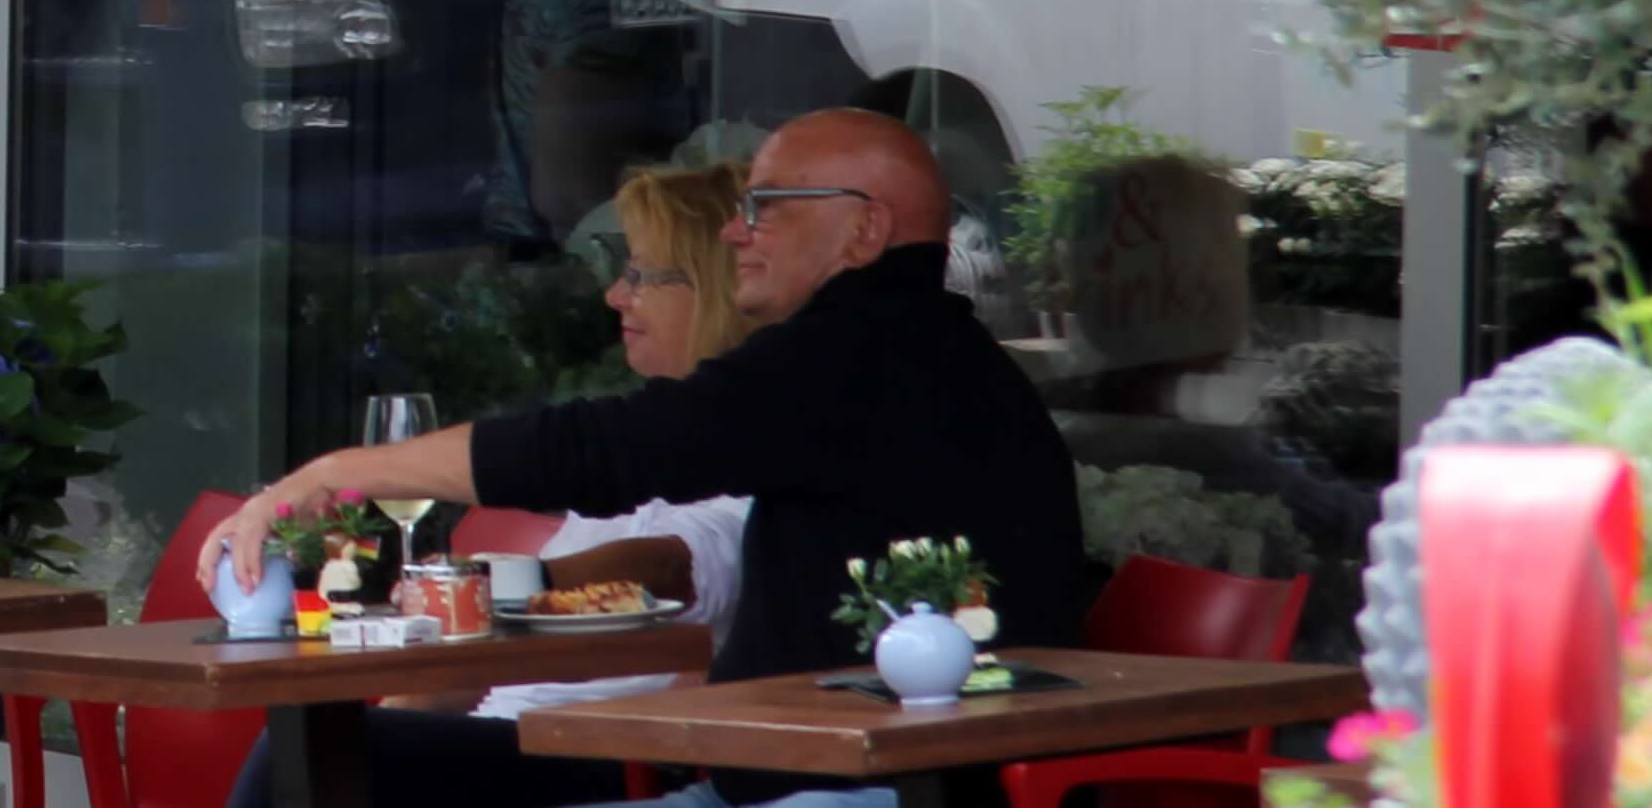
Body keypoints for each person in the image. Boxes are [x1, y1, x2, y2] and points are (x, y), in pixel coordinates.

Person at [205, 108, 1089, 802]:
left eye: (764, 207)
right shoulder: (917, 354)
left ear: (862, 231)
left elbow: (604, 453)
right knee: (346, 755)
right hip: (783, 778)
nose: (738, 231)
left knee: (338, 762)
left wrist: (336, 474)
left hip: (847, 793)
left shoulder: (861, 355)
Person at [228, 161, 763, 808]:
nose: (615, 296)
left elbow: (672, 567)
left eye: (642, 275)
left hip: (601, 760)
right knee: (318, 749)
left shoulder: (751, 454)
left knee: (315, 754)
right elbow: (466, 672)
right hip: (505, 741)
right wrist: (389, 715)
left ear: (712, 288)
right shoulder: (642, 449)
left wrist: (487, 585)